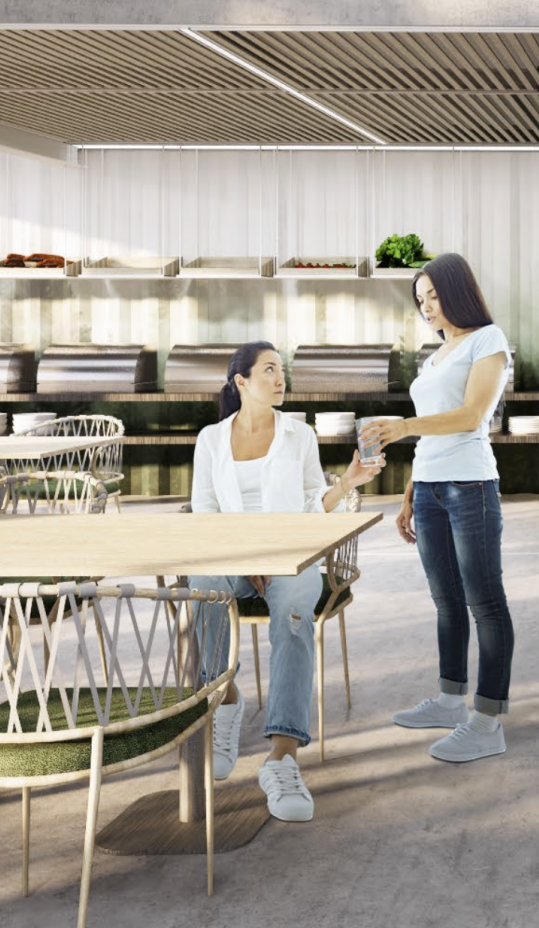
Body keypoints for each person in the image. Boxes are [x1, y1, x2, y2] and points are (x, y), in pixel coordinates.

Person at [190, 340, 380, 822]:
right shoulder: (211, 440)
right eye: (270, 370)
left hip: (293, 560)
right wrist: (244, 553)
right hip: (232, 557)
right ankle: (226, 698)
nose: (281, 379)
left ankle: (282, 758)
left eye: (282, 371)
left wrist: (348, 483)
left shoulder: (300, 436)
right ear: (241, 382)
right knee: (200, 585)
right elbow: (204, 515)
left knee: (294, 617)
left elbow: (312, 504)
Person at [356, 253, 515, 764]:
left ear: (458, 291)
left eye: (434, 296)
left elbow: (471, 416)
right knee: (445, 600)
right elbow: (430, 433)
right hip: (429, 489)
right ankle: (450, 701)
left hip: (470, 487)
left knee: (484, 601)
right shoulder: (434, 357)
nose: (427, 307)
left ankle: (487, 721)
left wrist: (401, 427)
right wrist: (409, 491)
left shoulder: (488, 340)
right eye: (420, 300)